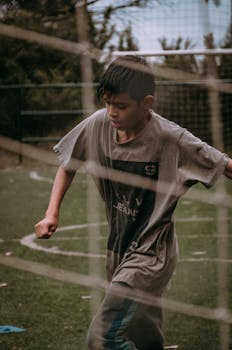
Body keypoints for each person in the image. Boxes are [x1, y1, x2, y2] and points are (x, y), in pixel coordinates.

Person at [35, 55, 232, 350]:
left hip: (152, 255)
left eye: (122, 106)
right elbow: (67, 165)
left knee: (102, 339)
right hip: (119, 249)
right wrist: (52, 213)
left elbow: (225, 165)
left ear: (147, 103)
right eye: (108, 102)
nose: (112, 112)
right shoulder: (98, 125)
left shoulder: (172, 138)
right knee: (144, 338)